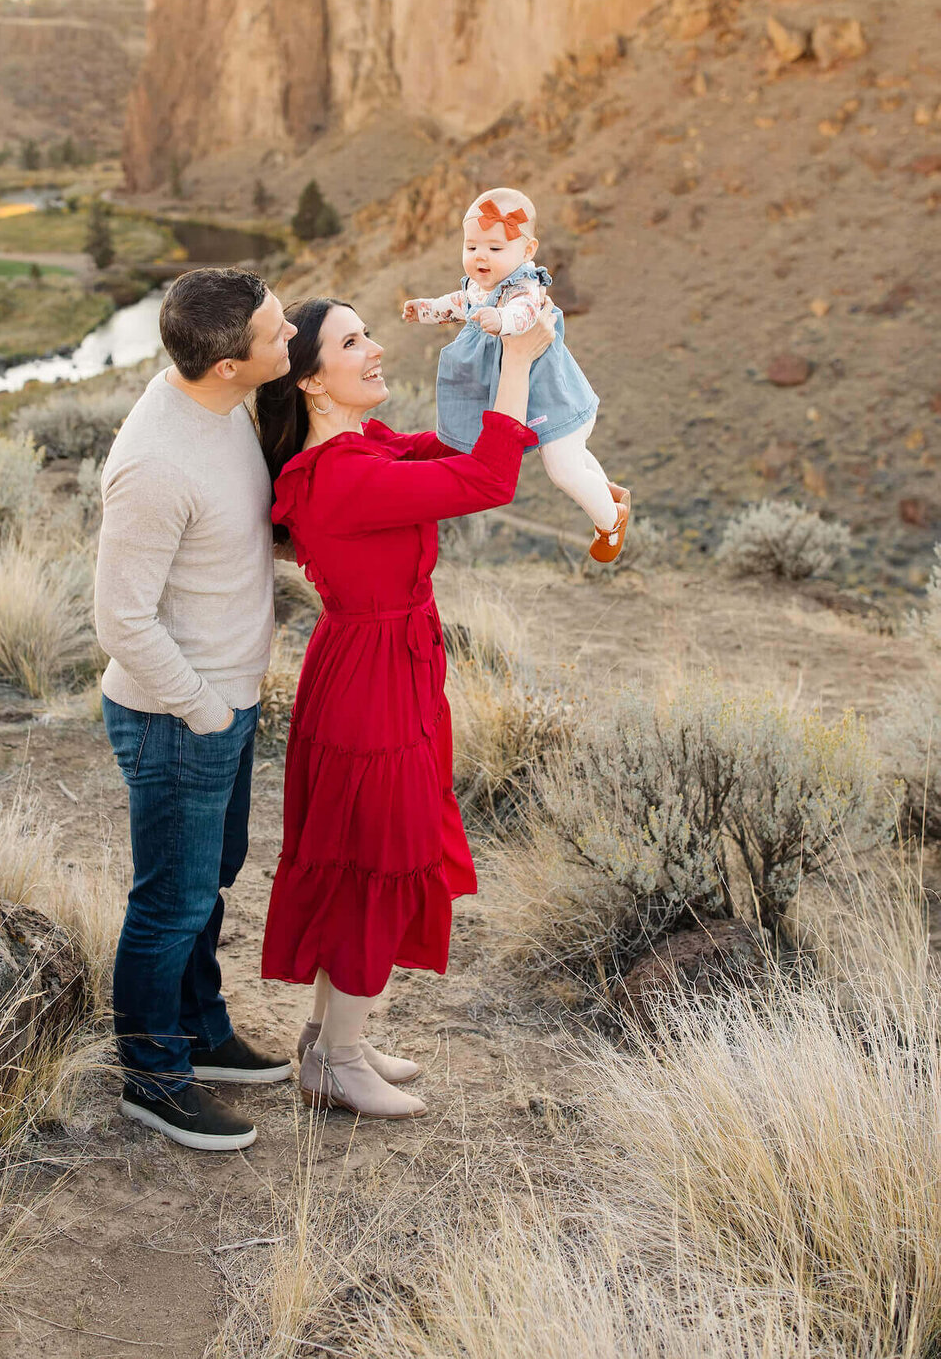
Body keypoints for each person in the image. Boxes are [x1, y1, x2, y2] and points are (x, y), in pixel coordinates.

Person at [253, 295, 556, 1119]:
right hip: (371, 684)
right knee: (373, 858)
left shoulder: (363, 446)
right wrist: (523, 362)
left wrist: (494, 336)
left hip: (384, 666)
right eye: (354, 342)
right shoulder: (342, 474)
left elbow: (460, 448)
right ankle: (342, 1056)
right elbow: (487, 479)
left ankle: (326, 1044)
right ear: (313, 382)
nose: (376, 349)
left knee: (359, 852)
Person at [95, 267, 298, 1153]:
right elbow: (120, 619)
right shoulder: (153, 461)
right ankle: (152, 1075)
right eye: (278, 332)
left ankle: (200, 1031)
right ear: (228, 364)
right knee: (170, 900)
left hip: (225, 700)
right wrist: (205, 710)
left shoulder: (219, 408)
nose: (289, 338)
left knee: (209, 876)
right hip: (179, 716)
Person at [402, 186, 630, 562]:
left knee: (562, 468)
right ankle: (608, 492)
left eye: (495, 248)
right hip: (538, 396)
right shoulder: (480, 289)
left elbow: (524, 313)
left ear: (527, 251)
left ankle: (610, 521)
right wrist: (424, 310)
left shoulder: (523, 286)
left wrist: (501, 320)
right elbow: (454, 304)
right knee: (572, 453)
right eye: (472, 246)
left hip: (551, 395)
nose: (481, 257)